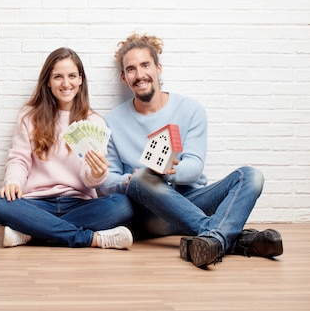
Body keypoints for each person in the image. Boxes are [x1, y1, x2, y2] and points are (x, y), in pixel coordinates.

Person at [93, 33, 283, 267]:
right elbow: (105, 180)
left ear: (158, 68)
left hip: (192, 202)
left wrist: (169, 170)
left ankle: (210, 239)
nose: (140, 74)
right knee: (142, 177)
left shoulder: (191, 109)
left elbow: (194, 166)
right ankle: (227, 237)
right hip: (151, 213)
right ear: (123, 77)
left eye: (145, 65)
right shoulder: (112, 120)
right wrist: (127, 180)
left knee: (252, 175)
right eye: (131, 69)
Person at [0, 47, 134, 249]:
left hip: (78, 203)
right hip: (36, 203)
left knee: (124, 205)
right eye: (58, 77)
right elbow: (19, 159)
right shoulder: (29, 116)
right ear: (48, 81)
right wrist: (13, 183)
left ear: (81, 79)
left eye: (72, 76)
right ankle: (92, 239)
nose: (66, 84)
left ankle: (32, 232)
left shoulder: (94, 122)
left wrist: (97, 173)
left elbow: (88, 177)